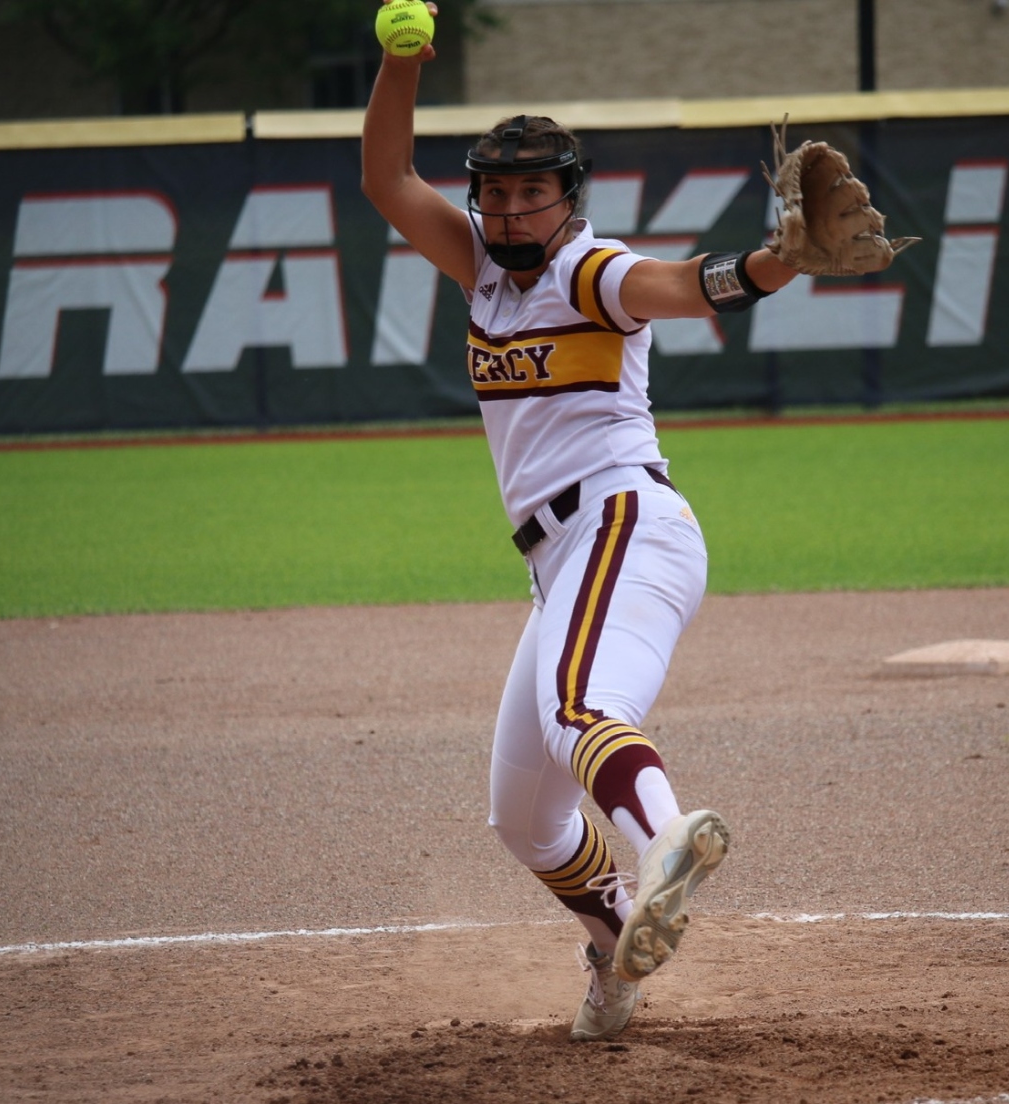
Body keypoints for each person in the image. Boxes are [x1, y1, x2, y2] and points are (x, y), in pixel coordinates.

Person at [361, 3, 810, 1043]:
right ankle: (617, 947)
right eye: (500, 194)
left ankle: (665, 844)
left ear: (570, 201)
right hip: (562, 560)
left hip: (623, 522)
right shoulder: (478, 273)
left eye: (535, 192)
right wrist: (399, 66)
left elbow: (681, 287)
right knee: (523, 816)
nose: (514, 210)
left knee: (578, 708)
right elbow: (389, 178)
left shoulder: (588, 270)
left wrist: (771, 266)